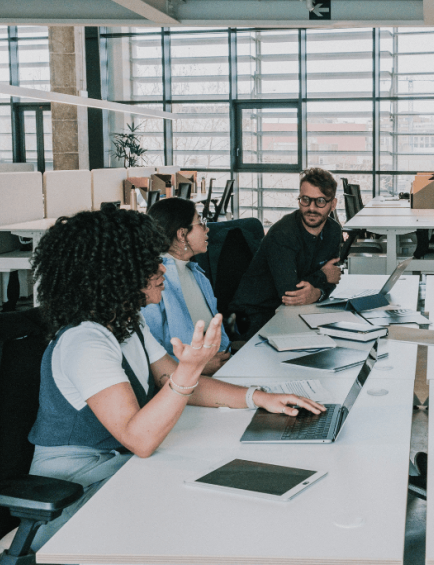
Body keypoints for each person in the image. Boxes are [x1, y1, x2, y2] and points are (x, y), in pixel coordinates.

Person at [26, 206, 324, 550]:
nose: (162, 268)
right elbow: (139, 438)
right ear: (115, 272)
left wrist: (257, 397)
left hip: (115, 468)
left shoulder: (124, 324)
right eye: (148, 262)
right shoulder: (85, 341)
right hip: (73, 492)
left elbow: (171, 377)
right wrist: (190, 369)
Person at [232, 167, 344, 338]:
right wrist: (322, 277)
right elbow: (290, 294)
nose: (311, 208)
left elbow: (332, 279)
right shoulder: (283, 233)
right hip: (255, 315)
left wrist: (319, 293)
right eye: (305, 200)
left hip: (292, 312)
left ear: (333, 204)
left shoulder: (334, 231)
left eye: (320, 201)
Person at [142, 197, 233, 376]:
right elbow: (148, 356)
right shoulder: (153, 283)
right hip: (185, 382)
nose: (207, 229)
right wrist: (197, 367)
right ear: (182, 234)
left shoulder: (198, 275)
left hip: (221, 372)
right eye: (201, 223)